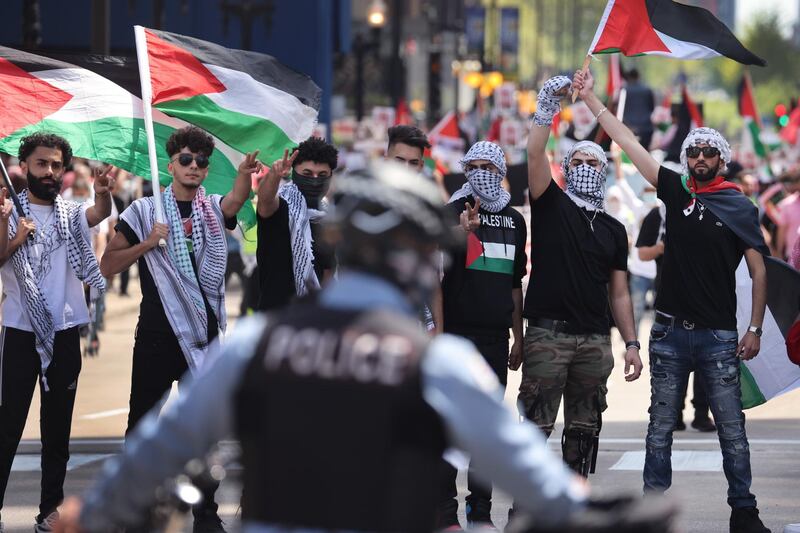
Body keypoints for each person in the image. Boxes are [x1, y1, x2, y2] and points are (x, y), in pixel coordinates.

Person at [55, 163, 676, 533]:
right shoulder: (436, 365)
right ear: (411, 253)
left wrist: (91, 509)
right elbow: (531, 476)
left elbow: (159, 450)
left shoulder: (254, 345)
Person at [573, 66, 771, 533]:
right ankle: (650, 516)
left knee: (732, 432)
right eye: (694, 151)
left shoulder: (739, 206)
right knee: (659, 430)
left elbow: (760, 268)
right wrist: (591, 100)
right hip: (667, 335)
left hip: (720, 337)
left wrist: (755, 328)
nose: (700, 157)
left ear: (721, 160)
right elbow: (628, 142)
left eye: (709, 152)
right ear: (687, 159)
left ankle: (744, 513)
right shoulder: (673, 188)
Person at [99, 126, 258, 532]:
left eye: (201, 162)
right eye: (186, 160)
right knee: (141, 426)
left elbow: (237, 200)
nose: (194, 167)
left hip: (204, 340)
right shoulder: (143, 212)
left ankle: (205, 516)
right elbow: (108, 265)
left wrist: (244, 173)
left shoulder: (211, 208)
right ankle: (131, 510)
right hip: (156, 336)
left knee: (204, 431)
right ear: (170, 165)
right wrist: (148, 243)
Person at [520, 76, 643, 479]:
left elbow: (620, 293)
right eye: (579, 162)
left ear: (605, 171)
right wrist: (546, 107)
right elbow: (535, 153)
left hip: (594, 340)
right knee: (535, 429)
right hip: (548, 337)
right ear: (567, 169)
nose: (587, 168)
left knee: (584, 432)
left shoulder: (612, 229)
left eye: (594, 163)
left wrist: (631, 343)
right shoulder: (550, 203)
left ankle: (573, 509)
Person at [0, 133, 112, 532]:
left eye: (56, 165)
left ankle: (50, 510)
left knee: (57, 430)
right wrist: (13, 233)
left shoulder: (71, 213)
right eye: (42, 163)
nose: (50, 171)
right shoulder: (8, 209)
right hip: (17, 331)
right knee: (7, 426)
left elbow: (97, 214)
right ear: (24, 165)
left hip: (64, 332)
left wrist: (103, 195)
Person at [437, 141, 527, 529]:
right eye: (472, 167)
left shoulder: (516, 220)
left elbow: (514, 285)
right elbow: (433, 277)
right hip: (456, 336)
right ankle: (444, 510)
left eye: (488, 167)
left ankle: (480, 509)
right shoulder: (451, 213)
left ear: (501, 169)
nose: (480, 174)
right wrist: (459, 235)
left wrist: (518, 337)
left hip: (495, 339)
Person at [256, 137, 338, 311]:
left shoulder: (329, 220)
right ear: (293, 172)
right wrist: (274, 175)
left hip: (314, 318)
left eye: (322, 175)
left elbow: (329, 273)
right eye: (307, 174)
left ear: (331, 177)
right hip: (276, 318)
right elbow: (265, 201)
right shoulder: (282, 207)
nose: (315, 180)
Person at [385, 125, 443, 333]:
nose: (406, 168)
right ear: (386, 159)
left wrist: (439, 331)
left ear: (421, 166)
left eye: (413, 163)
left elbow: (433, 280)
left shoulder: (426, 212)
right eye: (399, 160)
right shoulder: (362, 204)